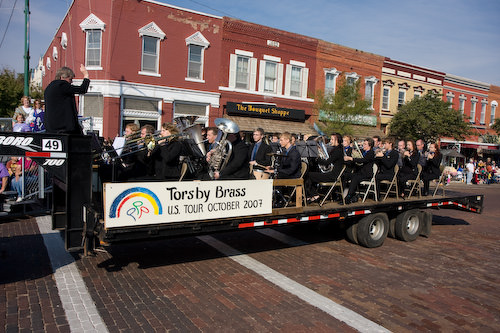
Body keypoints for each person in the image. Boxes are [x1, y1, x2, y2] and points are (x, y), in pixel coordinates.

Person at [44, 64, 90, 134]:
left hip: (51, 128)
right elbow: (82, 89)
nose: (71, 82)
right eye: (70, 79)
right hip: (64, 128)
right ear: (62, 77)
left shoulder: (49, 87)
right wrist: (86, 75)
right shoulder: (62, 85)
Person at [306, 133, 344, 204]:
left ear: (337, 140)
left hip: (333, 175)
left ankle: (314, 195)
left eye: (332, 139)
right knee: (309, 175)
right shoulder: (338, 149)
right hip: (332, 174)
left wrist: (317, 159)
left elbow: (327, 162)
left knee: (308, 175)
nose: (330, 141)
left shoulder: (337, 151)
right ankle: (311, 195)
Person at [342, 138, 375, 204]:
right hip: (360, 172)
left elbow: (364, 160)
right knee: (345, 175)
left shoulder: (371, 153)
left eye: (365, 144)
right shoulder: (363, 151)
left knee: (355, 178)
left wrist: (352, 158)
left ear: (370, 145)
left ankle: (348, 197)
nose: (363, 145)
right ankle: (341, 195)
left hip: (366, 174)